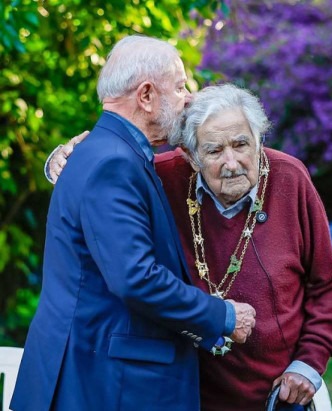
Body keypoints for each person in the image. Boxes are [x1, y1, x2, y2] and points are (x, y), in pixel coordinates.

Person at [45, 84, 332, 410]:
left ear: (260, 141)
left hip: (274, 394)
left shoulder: (290, 178)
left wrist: (308, 363)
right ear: (191, 155)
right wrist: (61, 162)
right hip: (187, 393)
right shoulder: (163, 178)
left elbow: (327, 283)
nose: (232, 163)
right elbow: (103, 176)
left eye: (242, 144)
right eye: (215, 151)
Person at [11, 36, 256, 411]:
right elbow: (135, 277)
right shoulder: (115, 163)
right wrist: (220, 315)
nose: (188, 98)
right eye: (178, 87)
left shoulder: (107, 152)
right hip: (104, 384)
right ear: (145, 96)